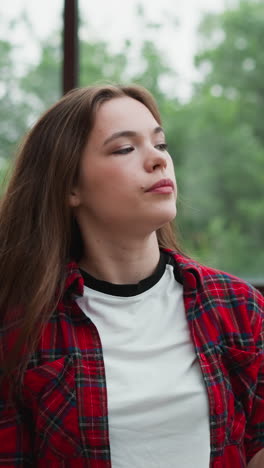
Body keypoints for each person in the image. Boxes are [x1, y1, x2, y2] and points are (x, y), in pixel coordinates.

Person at [0, 84, 263, 468]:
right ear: (71, 187)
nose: (158, 161)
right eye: (125, 148)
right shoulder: (22, 328)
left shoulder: (238, 308)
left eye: (161, 145)